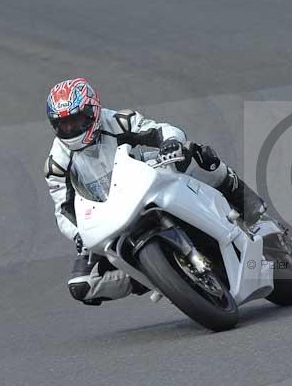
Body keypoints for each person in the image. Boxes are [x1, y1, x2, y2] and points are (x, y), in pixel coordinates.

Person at [44, 78, 265, 306]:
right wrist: (78, 234)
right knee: (81, 285)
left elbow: (162, 130)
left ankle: (249, 206)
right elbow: (63, 209)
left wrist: (170, 143)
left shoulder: (118, 121)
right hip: (107, 212)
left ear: (93, 110)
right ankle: (154, 276)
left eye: (76, 120)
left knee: (198, 154)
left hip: (142, 178)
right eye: (63, 124)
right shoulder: (56, 163)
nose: (71, 128)